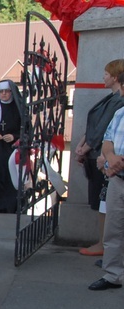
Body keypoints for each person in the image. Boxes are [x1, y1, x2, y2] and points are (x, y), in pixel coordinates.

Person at [75, 59, 124, 256]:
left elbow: (104, 129)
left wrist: (85, 148)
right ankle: (106, 246)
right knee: (102, 201)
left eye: (105, 73)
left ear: (115, 77)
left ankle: (105, 246)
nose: (102, 77)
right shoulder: (112, 99)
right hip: (100, 153)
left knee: (106, 203)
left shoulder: (119, 101)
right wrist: (81, 145)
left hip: (108, 159)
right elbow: (96, 125)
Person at [89, 71, 124, 291]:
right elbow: (108, 139)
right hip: (118, 179)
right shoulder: (120, 112)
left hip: (117, 170)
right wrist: (111, 157)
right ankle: (113, 275)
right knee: (113, 228)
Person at [0, 80, 23, 213]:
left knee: (11, 178)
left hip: (12, 150)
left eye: (7, 91)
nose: (4, 94)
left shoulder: (18, 109)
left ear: (12, 92)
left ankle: (11, 207)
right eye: (1, 92)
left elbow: (26, 130)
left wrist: (14, 136)